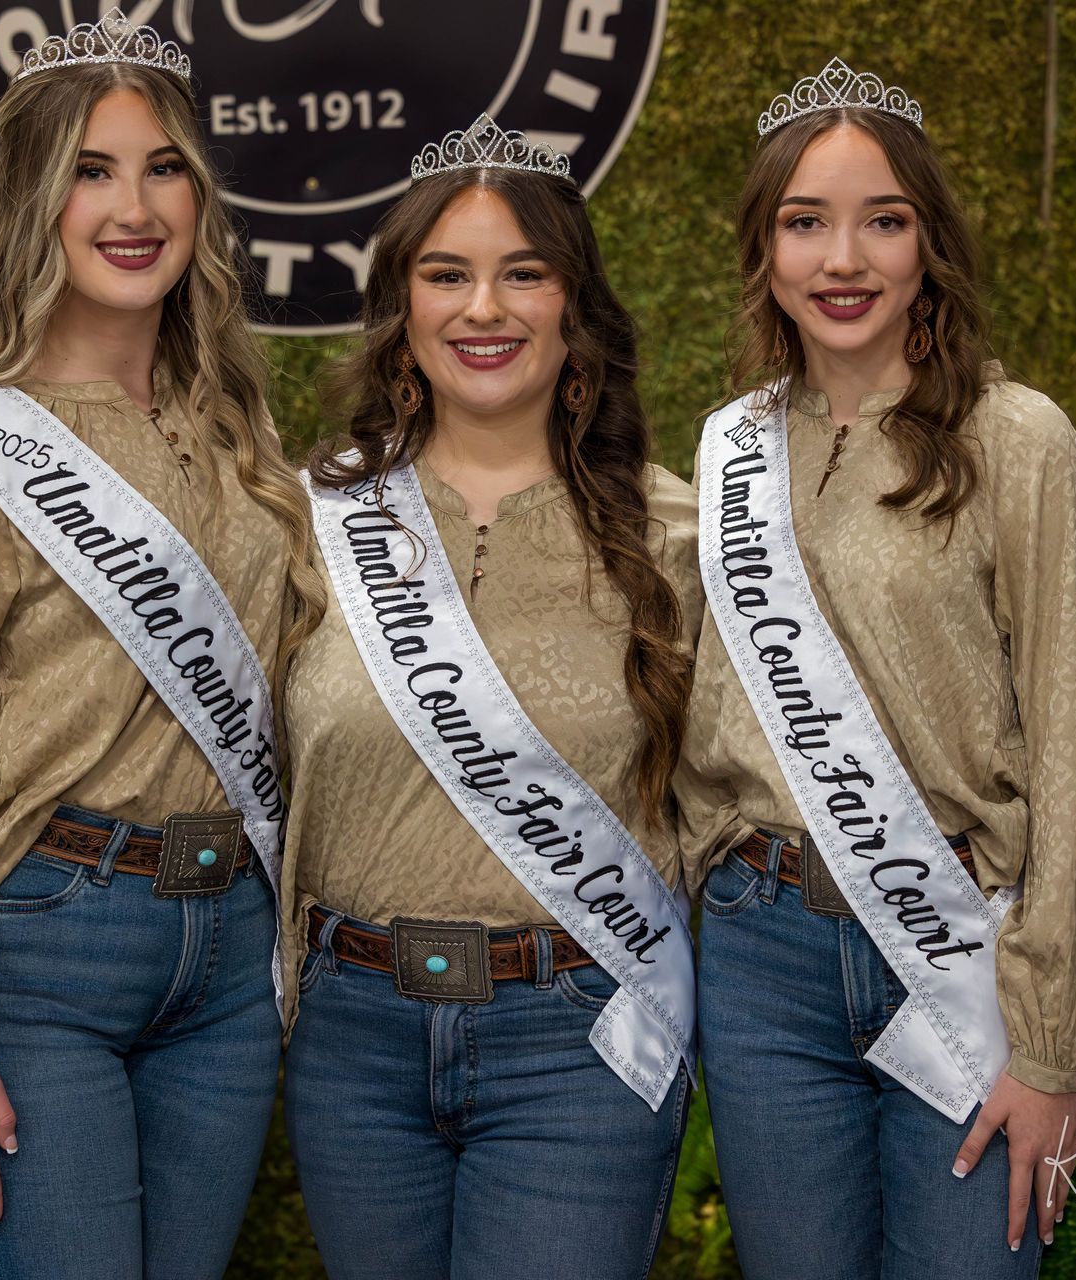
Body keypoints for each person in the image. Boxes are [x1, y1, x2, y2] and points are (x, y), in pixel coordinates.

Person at [0, 11, 322, 1277]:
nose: (132, 206)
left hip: (224, 970)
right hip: (40, 954)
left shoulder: (240, 444)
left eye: (162, 167)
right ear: (34, 200)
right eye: (90, 170)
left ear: (201, 193)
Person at [678, 57, 1076, 1278]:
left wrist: (1053, 1046)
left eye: (883, 220)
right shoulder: (734, 449)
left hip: (958, 955)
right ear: (764, 249)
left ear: (929, 240)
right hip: (763, 955)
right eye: (805, 223)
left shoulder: (1016, 438)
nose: (844, 260)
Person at [282, 115, 700, 1279]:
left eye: (526, 272)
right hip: (352, 1036)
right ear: (401, 312)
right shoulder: (308, 524)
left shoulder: (679, 534)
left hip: (578, 1032)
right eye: (447, 274)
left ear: (576, 311)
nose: (485, 308)